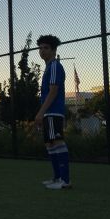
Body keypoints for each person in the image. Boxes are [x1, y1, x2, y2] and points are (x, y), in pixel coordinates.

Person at [35, 35, 71, 190]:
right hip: (48, 113)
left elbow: (54, 91)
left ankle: (65, 180)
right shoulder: (48, 67)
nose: (42, 51)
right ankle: (57, 178)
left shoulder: (55, 66)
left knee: (57, 142)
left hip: (53, 112)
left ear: (54, 50)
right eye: (40, 48)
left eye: (46, 48)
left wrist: (40, 112)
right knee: (50, 144)